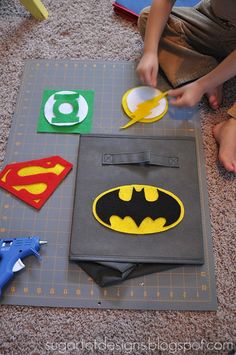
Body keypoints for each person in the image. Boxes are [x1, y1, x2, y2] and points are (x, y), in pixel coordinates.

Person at [136, 0, 236, 173]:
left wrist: (201, 85)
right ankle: (209, 71)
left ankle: (233, 124)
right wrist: (150, 52)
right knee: (148, 18)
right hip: (213, 22)